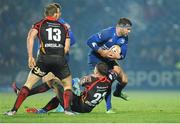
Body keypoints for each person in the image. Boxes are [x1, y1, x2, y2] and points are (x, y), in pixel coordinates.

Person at [5, 3, 73, 116]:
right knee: (67, 85)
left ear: (46, 14)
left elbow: (30, 37)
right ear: (55, 14)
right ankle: (68, 110)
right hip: (59, 61)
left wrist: (30, 56)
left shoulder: (39, 24)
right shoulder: (64, 27)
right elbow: (66, 48)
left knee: (28, 84)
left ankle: (13, 111)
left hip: (43, 61)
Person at [26, 62, 118, 114]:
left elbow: (81, 81)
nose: (94, 69)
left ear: (97, 72)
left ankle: (27, 93)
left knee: (53, 82)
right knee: (61, 95)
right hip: (87, 108)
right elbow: (115, 72)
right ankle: (43, 110)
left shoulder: (91, 78)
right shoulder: (109, 79)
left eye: (95, 69)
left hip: (78, 106)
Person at [86, 18, 132, 113]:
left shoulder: (125, 38)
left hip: (108, 60)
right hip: (96, 59)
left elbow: (123, 55)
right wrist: (101, 51)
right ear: (121, 27)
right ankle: (109, 108)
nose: (129, 31)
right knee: (107, 81)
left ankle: (117, 93)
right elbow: (90, 41)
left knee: (124, 80)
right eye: (128, 29)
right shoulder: (107, 33)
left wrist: (117, 56)